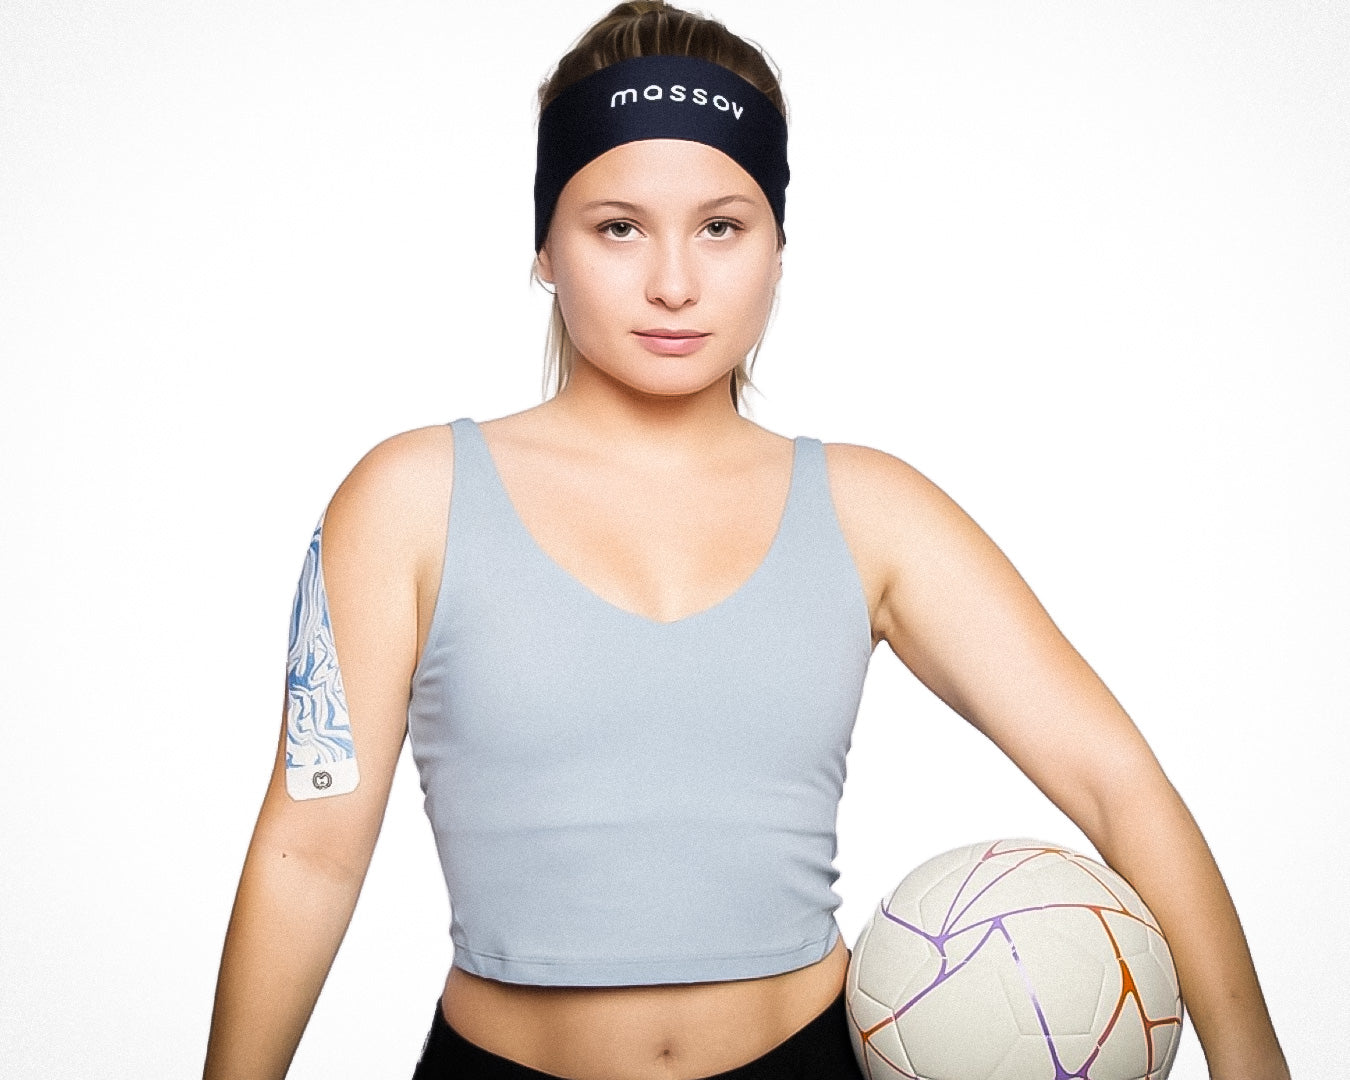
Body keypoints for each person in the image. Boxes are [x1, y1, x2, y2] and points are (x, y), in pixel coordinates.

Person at [202, 3, 1291, 1078]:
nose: (674, 282)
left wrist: (1254, 1064)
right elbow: (309, 854)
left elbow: (1115, 781)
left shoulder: (872, 510)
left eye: (721, 226)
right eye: (616, 226)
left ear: (777, 246)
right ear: (545, 245)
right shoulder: (408, 499)